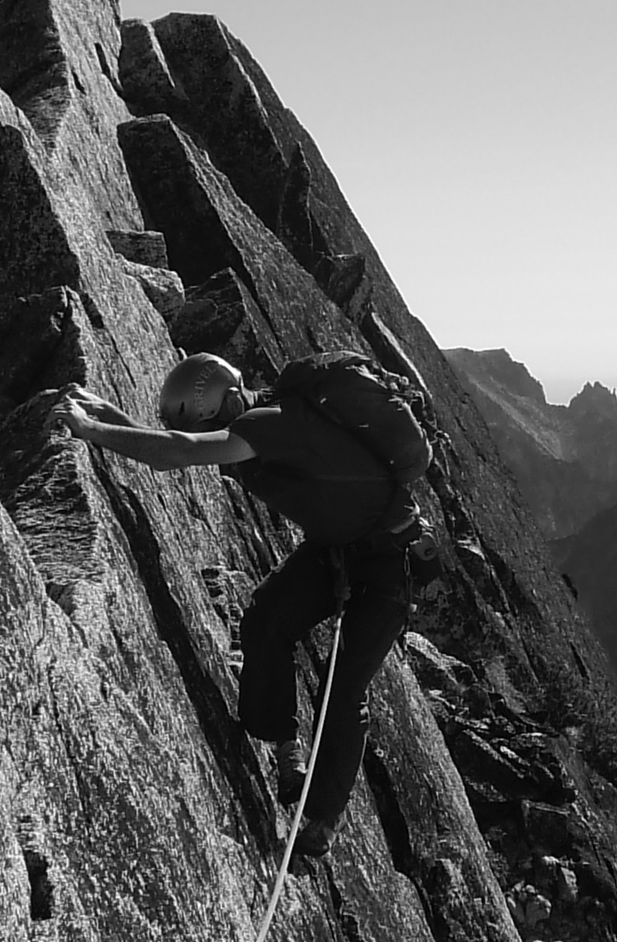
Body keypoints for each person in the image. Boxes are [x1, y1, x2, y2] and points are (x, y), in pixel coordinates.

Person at [60, 351, 430, 859]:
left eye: (219, 420)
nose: (222, 431)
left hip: (391, 560)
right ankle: (283, 746)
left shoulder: (268, 424)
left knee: (343, 689)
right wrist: (105, 418)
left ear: (231, 401)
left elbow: (182, 450)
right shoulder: (253, 427)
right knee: (266, 621)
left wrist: (92, 430)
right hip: (341, 546)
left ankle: (320, 820)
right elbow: (185, 448)